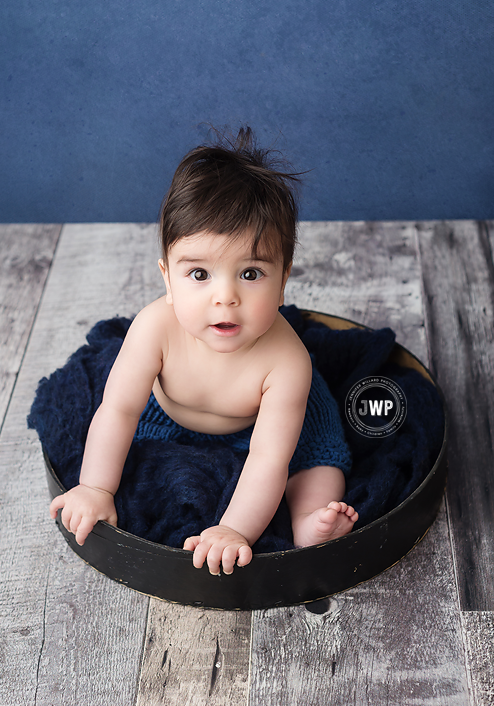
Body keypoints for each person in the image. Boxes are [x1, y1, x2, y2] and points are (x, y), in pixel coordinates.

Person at [50, 128, 358, 575]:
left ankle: (309, 520)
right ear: (167, 278)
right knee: (118, 440)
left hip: (271, 423)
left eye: (251, 274)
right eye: (199, 274)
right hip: (167, 414)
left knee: (320, 466)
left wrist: (234, 529)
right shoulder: (155, 327)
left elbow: (268, 459)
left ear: (284, 278)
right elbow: (117, 410)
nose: (225, 297)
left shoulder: (287, 362)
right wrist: (96, 489)